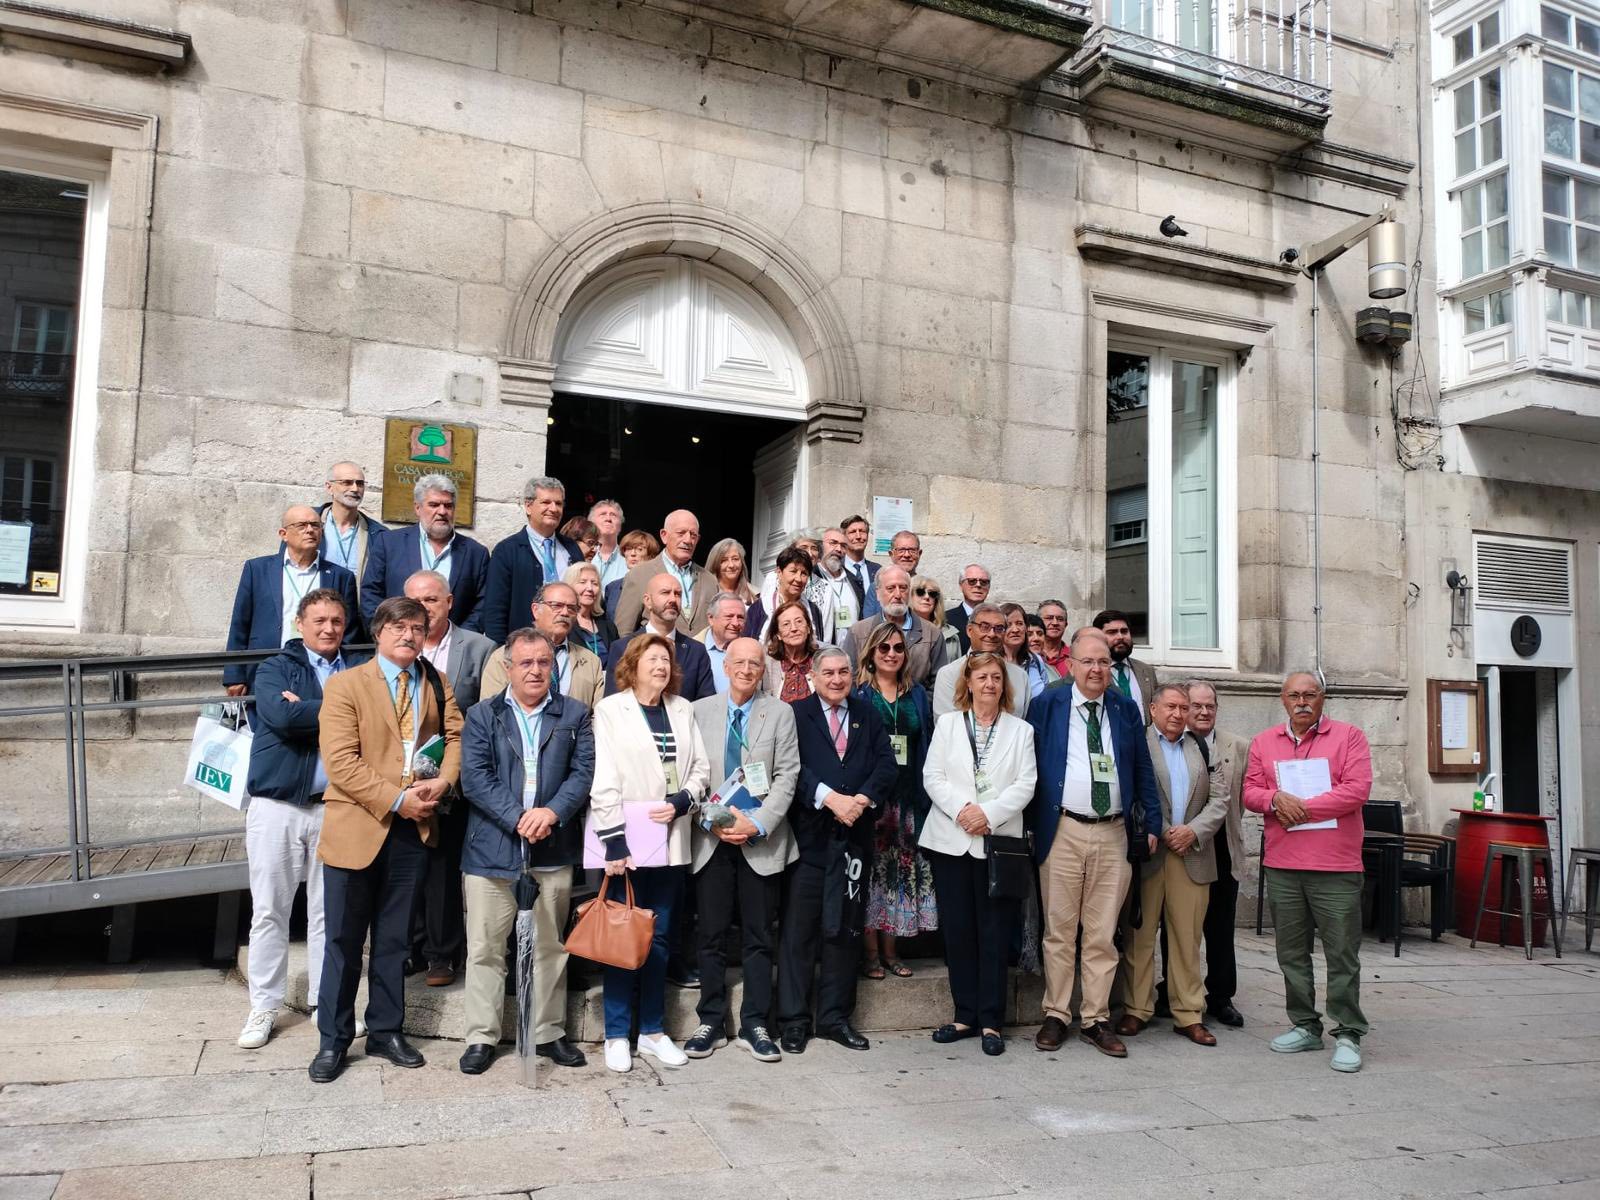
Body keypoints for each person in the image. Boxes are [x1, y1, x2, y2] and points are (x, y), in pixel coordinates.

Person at [310, 597, 462, 1083]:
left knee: (396, 941)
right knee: (343, 942)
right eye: (398, 627)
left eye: (418, 628)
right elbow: (341, 763)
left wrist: (443, 783)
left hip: (412, 830)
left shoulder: (435, 682)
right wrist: (398, 800)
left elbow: (456, 738)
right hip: (359, 826)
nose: (408, 635)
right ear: (379, 632)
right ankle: (333, 1040)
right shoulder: (345, 685)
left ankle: (385, 1030)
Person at [457, 628, 595, 1074]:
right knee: (484, 948)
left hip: (552, 847)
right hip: (492, 851)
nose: (536, 670)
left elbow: (583, 774)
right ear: (508, 667)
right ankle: (481, 1036)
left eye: (543, 662)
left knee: (550, 946)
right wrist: (519, 816)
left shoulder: (574, 714)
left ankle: (548, 1032)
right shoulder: (482, 715)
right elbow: (475, 778)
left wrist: (551, 813)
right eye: (526, 663)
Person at [238, 588, 368, 1051]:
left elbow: (374, 723)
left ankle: (322, 1003)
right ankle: (264, 1006)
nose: (329, 628)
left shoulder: (356, 669)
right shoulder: (276, 667)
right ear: (301, 624)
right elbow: (281, 716)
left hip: (335, 806)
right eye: (319, 621)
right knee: (270, 909)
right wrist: (342, 710)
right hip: (278, 806)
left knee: (326, 913)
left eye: (336, 620)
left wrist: (309, 709)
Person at [1026, 627, 1160, 1059]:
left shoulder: (1123, 709)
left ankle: (1096, 1018)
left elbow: (1142, 768)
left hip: (1114, 831)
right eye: (1087, 661)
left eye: (1103, 662)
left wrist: (1152, 823)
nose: (1096, 669)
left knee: (1102, 932)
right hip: (1062, 829)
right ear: (1072, 665)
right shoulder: (1047, 704)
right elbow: (1031, 767)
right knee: (1060, 929)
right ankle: (1056, 1014)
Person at [590, 633, 712, 1073]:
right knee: (624, 938)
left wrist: (685, 799)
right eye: (652, 658)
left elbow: (700, 766)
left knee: (660, 938)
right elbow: (603, 776)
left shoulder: (683, 708)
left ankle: (653, 1032)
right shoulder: (610, 710)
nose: (660, 665)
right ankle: (617, 1034)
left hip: (670, 838)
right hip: (626, 841)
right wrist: (614, 841)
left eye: (666, 659)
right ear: (633, 664)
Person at [1243, 671, 1372, 1073]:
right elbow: (1248, 791)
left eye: (1310, 695)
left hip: (1336, 866)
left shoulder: (1349, 737)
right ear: (1283, 700)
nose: (1302, 702)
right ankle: (1304, 1025)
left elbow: (1357, 789)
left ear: (1322, 699)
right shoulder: (1264, 742)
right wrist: (1275, 797)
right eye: (1294, 695)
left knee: (1342, 954)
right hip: (1284, 865)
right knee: (1291, 954)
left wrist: (1302, 809)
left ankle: (1348, 1031)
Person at [682, 637, 800, 1063]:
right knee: (710, 936)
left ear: (762, 669)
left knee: (758, 936)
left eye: (755, 663)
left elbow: (788, 775)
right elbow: (690, 774)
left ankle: (755, 1023)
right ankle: (710, 1020)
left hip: (760, 839)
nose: (747, 669)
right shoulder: (699, 710)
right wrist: (712, 821)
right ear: (726, 666)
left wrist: (758, 822)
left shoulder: (780, 713)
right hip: (711, 840)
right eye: (740, 662)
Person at [776, 645, 898, 1053]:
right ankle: (794, 1021)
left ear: (852, 675)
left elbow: (886, 765)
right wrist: (830, 798)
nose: (836, 679)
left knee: (844, 930)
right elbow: (792, 768)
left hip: (854, 842)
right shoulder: (796, 715)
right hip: (809, 838)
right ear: (813, 675)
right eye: (827, 672)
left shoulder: (868, 714)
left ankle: (833, 1018)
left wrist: (860, 801)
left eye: (843, 672)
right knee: (799, 931)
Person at [920, 652, 1037, 1057]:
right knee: (958, 932)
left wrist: (986, 814)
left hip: (998, 841)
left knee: (993, 933)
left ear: (1005, 686)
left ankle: (991, 1021)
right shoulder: (949, 725)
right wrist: (962, 811)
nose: (989, 684)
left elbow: (1026, 784)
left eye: (996, 678)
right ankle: (963, 1015)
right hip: (951, 839)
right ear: (967, 683)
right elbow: (931, 776)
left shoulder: (1021, 731)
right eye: (981, 677)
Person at [1117, 684, 1228, 1047]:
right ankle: (1137, 1009)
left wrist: (1192, 832)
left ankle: (1188, 1014)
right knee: (1141, 936)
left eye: (1184, 707)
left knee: (1187, 939)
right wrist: (1162, 830)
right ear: (1153, 709)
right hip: (1151, 854)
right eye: (1171, 706)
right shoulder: (1139, 743)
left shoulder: (1201, 745)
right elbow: (1131, 792)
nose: (1179, 714)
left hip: (1192, 855)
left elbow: (1220, 799)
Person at [405, 569, 495, 987]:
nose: (424, 609)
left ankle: (443, 955)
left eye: (432, 600)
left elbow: (488, 712)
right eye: (415, 601)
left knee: (442, 867)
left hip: (456, 777)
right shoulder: (396, 647)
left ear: (449, 602)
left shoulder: (479, 648)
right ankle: (412, 947)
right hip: (405, 778)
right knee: (409, 865)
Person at [853, 622, 936, 980]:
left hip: (908, 801)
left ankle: (892, 951)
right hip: (873, 802)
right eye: (884, 648)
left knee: (898, 877)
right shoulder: (859, 695)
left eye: (898, 648)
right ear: (871, 653)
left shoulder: (916, 694)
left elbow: (925, 744)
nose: (891, 654)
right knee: (872, 876)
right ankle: (870, 954)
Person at [225, 504, 360, 696]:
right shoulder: (258, 569)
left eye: (315, 525)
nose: (310, 530)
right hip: (266, 665)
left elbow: (349, 630)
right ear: (284, 534)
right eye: (302, 525)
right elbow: (240, 623)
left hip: (319, 669)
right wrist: (234, 674)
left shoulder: (340, 576)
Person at [1181, 680, 1251, 1027]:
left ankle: (1221, 996)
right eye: (1197, 705)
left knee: (1221, 927)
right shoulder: (1173, 743)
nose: (1204, 712)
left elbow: (1243, 798)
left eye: (1210, 706)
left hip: (1222, 847)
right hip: (1182, 849)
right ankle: (1178, 991)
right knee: (1180, 927)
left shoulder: (1237, 746)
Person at [361, 474, 489, 634]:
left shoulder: (475, 553)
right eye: (434, 505)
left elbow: (482, 606)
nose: (442, 511)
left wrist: (458, 641)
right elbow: (371, 594)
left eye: (448, 506)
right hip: (398, 643)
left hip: (454, 651)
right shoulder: (388, 543)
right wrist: (390, 633)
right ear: (417, 508)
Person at [481, 475, 585, 646]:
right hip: (522, 650)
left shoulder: (572, 549)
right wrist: (500, 653)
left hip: (567, 646)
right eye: (546, 502)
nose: (554, 508)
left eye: (558, 503)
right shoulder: (507, 551)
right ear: (529, 506)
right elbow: (495, 611)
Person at [480, 582, 606, 709]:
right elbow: (491, 712)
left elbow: (598, 714)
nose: (565, 613)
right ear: (536, 610)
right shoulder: (504, 657)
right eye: (556, 606)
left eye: (572, 608)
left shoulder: (591, 662)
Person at [605, 574, 717, 701]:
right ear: (647, 601)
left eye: (678, 594)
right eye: (665, 593)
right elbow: (612, 703)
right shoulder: (622, 648)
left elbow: (706, 705)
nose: (673, 599)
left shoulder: (697, 651)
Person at [841, 566, 949, 690]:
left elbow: (938, 682)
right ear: (877, 593)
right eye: (890, 588)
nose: (898, 594)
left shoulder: (931, 634)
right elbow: (849, 677)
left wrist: (918, 704)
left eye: (903, 588)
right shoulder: (859, 632)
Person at [614, 509, 714, 636]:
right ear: (664, 535)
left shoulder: (710, 580)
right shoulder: (638, 575)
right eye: (681, 533)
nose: (688, 540)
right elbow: (624, 632)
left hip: (698, 655)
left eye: (693, 535)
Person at [933, 604, 1029, 719]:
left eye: (999, 628)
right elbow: (945, 726)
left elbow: (1023, 724)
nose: (992, 634)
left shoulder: (1020, 676)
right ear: (969, 630)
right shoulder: (948, 674)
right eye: (984, 627)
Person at [319, 461, 385, 580]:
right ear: (329, 487)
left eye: (360, 484)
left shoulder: (378, 534)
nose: (355, 489)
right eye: (347, 483)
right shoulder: (307, 524)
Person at [744, 547, 823, 642]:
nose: (798, 579)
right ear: (779, 572)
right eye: (793, 571)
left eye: (804, 573)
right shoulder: (760, 608)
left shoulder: (813, 610)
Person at [1092, 610, 1157, 725]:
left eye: (1124, 631)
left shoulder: (1146, 671)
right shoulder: (1092, 671)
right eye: (1112, 632)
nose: (1120, 637)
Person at [805, 527, 861, 647]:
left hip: (851, 656)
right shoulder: (810, 578)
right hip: (820, 653)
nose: (838, 549)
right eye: (833, 543)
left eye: (843, 546)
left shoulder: (854, 581)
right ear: (820, 547)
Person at [1001, 602, 1058, 700]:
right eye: (1008, 624)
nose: (1015, 629)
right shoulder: (992, 660)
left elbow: (1045, 697)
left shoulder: (1035, 660)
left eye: (1019, 623)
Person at [763, 600, 817, 702]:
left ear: (808, 628)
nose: (794, 628)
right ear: (778, 634)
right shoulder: (767, 663)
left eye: (799, 621)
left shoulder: (821, 661)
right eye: (786, 624)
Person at [565, 561, 618, 660]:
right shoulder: (564, 624)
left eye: (594, 583)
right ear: (569, 586)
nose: (590, 588)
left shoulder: (608, 626)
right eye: (582, 582)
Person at [603, 529, 660, 620]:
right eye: (628, 549)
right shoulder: (612, 587)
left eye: (639, 549)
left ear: (650, 555)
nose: (633, 554)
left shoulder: (657, 585)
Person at [700, 592, 748, 694]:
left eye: (740, 617)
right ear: (711, 618)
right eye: (729, 616)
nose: (735, 623)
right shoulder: (692, 650)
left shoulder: (753, 651)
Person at [910, 574, 962, 665]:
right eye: (920, 592)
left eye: (932, 593)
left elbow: (957, 672)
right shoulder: (898, 630)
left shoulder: (951, 634)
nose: (926, 597)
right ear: (909, 596)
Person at [839, 513, 880, 619]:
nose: (858, 536)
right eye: (852, 532)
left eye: (862, 531)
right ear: (843, 537)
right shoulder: (836, 569)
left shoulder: (877, 570)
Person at [950, 564, 992, 654]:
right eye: (972, 581)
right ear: (961, 585)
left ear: (989, 587)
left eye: (984, 582)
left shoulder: (998, 619)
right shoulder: (945, 619)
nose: (978, 585)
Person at [588, 499, 630, 589]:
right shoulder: (581, 555)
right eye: (603, 514)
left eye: (613, 515)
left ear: (620, 526)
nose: (608, 519)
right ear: (591, 523)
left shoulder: (630, 559)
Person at [705, 537, 757, 606]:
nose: (731, 565)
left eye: (735, 559)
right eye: (724, 560)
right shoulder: (705, 593)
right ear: (715, 563)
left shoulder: (756, 595)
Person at [1037, 601, 1071, 678]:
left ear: (1066, 625)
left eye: (1060, 619)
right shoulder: (1027, 655)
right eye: (1049, 618)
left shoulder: (1075, 657)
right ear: (1038, 623)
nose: (1055, 623)